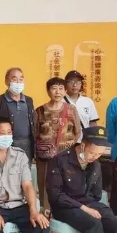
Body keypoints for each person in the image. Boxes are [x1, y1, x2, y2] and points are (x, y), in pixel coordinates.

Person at [35, 77, 82, 210]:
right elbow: (35, 134)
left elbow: (77, 132)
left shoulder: (71, 110)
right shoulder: (39, 111)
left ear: (65, 91)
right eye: (54, 88)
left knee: (66, 186)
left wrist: (68, 148)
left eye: (61, 89)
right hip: (45, 159)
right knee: (45, 187)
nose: (57, 92)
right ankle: (45, 213)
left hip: (66, 158)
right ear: (48, 91)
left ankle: (64, 212)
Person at [0, 67, 36, 161]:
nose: (18, 82)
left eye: (21, 79)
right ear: (6, 81)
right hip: (7, 145)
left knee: (25, 169)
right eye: (14, 79)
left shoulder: (29, 101)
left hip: (27, 145)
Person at [64, 70, 99, 134]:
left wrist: (92, 138)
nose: (75, 85)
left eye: (78, 82)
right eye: (71, 82)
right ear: (65, 84)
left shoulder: (88, 101)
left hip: (85, 139)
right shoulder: (60, 101)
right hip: (66, 139)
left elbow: (93, 123)